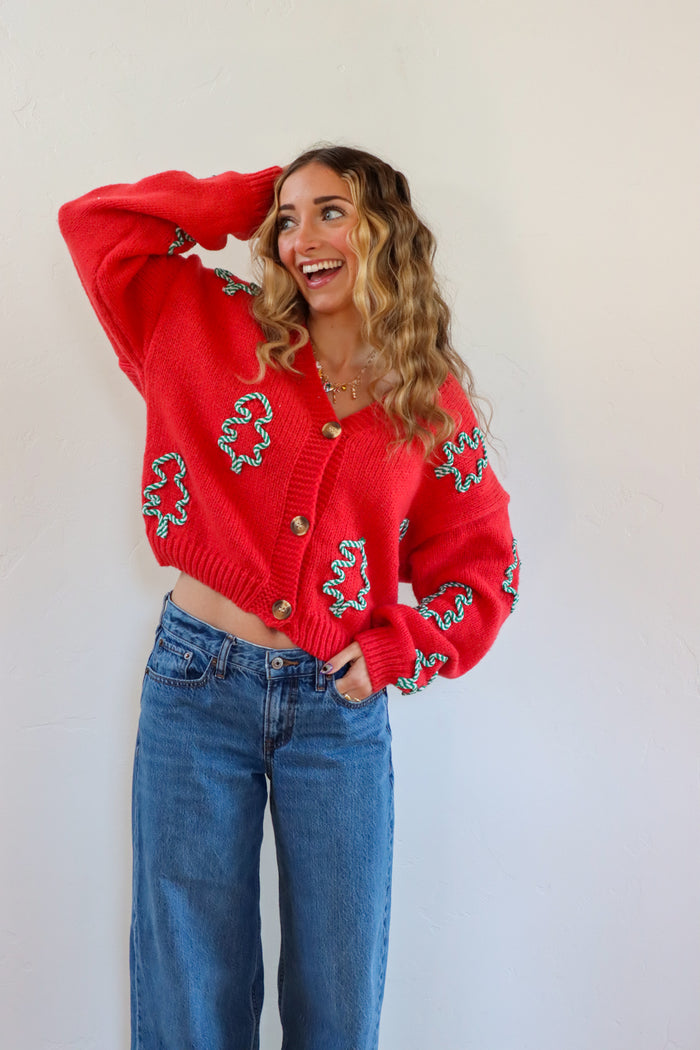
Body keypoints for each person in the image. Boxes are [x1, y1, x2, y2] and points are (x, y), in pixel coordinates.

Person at [59, 145, 520, 1050]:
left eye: (331, 212)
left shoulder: (426, 400)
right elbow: (97, 227)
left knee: (338, 996)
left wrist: (397, 650)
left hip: (334, 708)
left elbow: (484, 570)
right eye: (289, 218)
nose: (301, 236)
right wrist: (250, 196)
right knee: (188, 979)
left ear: (384, 232)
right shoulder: (211, 323)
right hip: (197, 687)